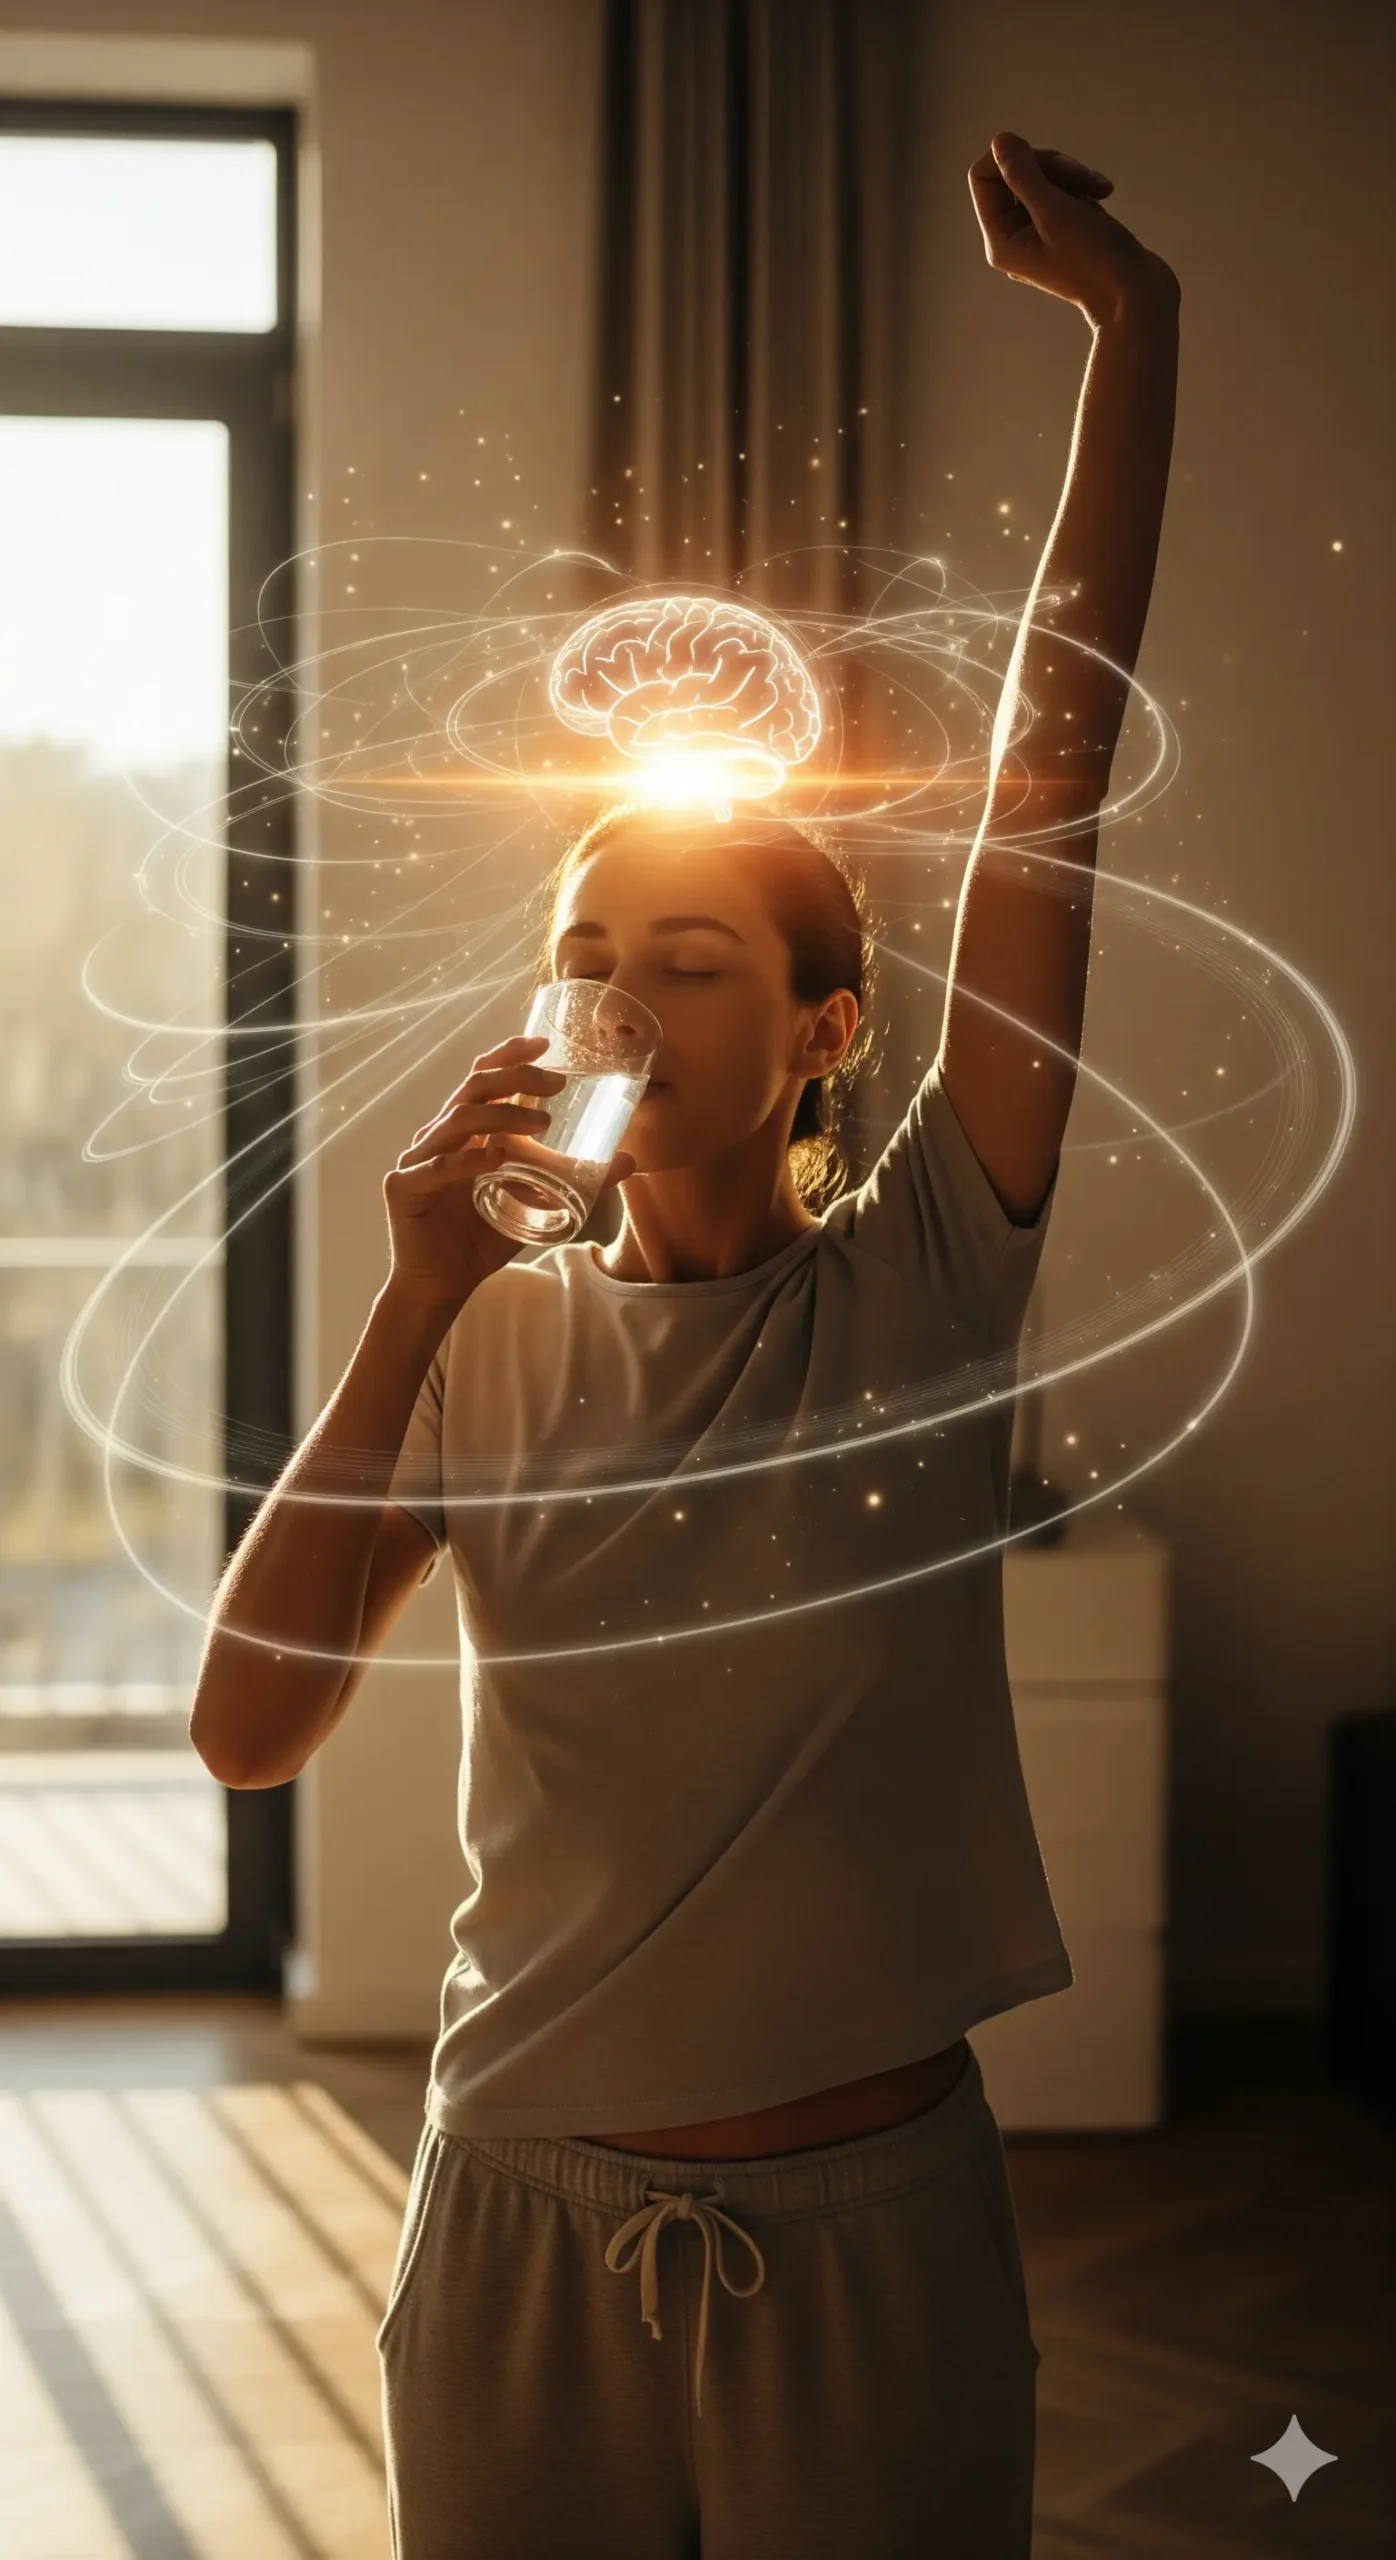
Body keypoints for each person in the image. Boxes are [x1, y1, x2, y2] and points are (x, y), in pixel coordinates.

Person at [191, 130, 1179, 2560]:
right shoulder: (481, 1332)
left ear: (826, 1028)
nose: (621, 988)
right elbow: (244, 1729)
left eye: (693, 953)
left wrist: (1132, 339)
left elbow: (1047, 779)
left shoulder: (930, 1267)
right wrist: (413, 1297)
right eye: (594, 946)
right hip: (513, 2209)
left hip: (870, 2240)